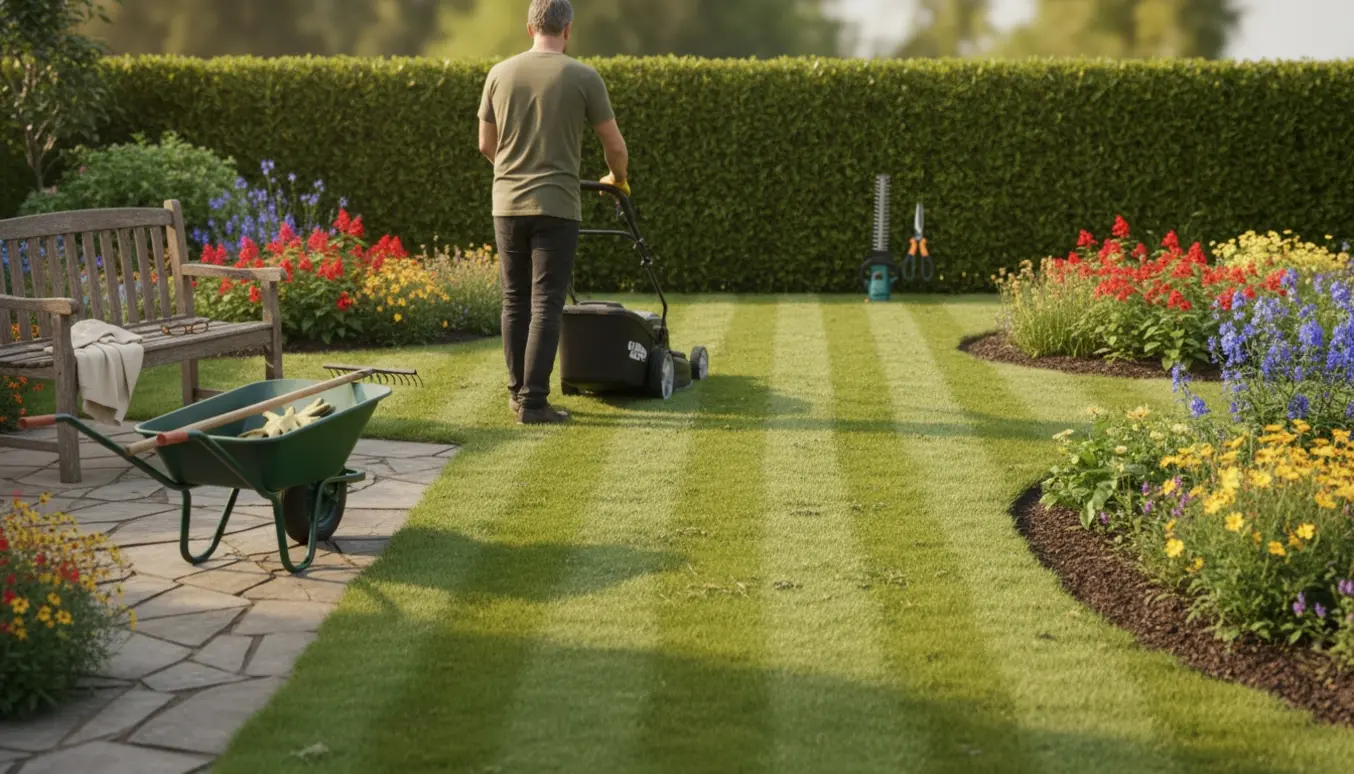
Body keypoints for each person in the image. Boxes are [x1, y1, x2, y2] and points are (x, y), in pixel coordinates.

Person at [477, 0, 630, 425]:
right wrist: (616, 178)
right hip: (558, 206)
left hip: (506, 204)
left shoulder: (499, 74)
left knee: (514, 300)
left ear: (530, 28)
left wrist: (512, 172)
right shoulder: (583, 76)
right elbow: (614, 146)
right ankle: (534, 402)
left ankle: (516, 393)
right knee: (546, 302)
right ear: (568, 31)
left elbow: (485, 144)